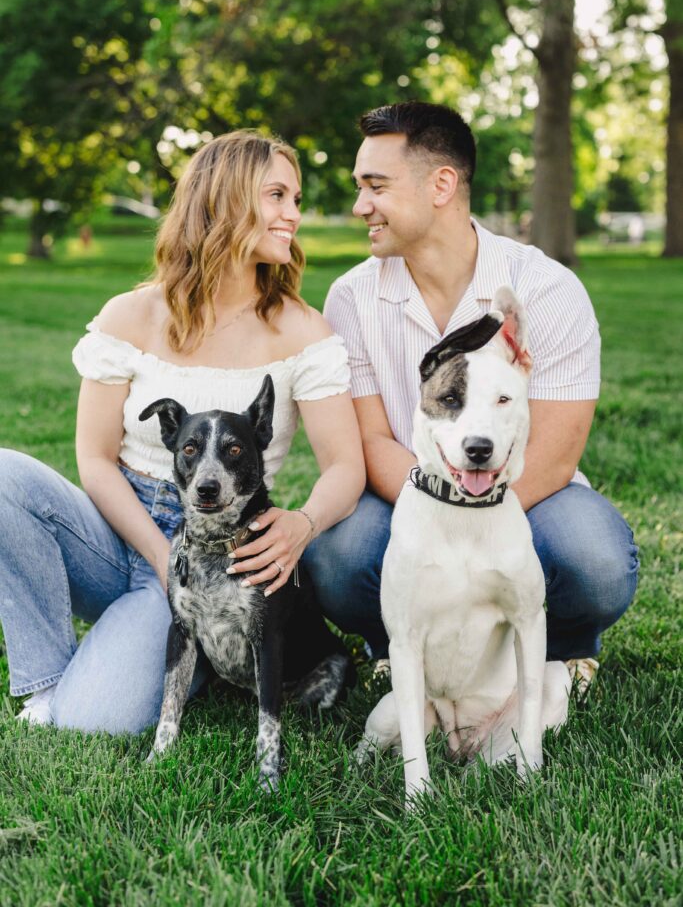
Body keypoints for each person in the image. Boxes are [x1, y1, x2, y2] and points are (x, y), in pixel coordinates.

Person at [0, 130, 365, 733]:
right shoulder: (130, 314)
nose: (294, 214)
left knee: (94, 721)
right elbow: (93, 459)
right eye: (277, 196)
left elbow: (346, 468)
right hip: (118, 527)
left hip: (221, 554)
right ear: (224, 200)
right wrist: (160, 554)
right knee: (4, 476)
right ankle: (45, 681)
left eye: (295, 198)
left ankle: (172, 649)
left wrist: (302, 524)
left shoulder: (304, 332)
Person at [302, 101, 639, 692]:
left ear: (442, 184)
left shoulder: (548, 290)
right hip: (408, 491)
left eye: (375, 186)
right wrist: (436, 518)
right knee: (338, 557)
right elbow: (373, 438)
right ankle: (397, 643)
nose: (361, 206)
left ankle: (559, 648)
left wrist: (479, 519)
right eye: (360, 188)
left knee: (598, 561)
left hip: (525, 492)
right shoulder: (351, 299)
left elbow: (556, 454)